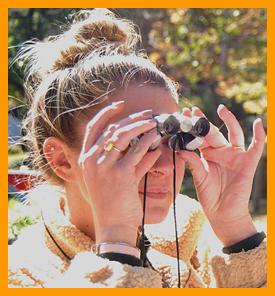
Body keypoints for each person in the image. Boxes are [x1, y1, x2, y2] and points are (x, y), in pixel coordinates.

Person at [8, 9, 266, 288]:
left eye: (173, 139)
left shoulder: (193, 235)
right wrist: (117, 251)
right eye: (135, 141)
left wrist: (237, 231)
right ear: (62, 160)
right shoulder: (19, 274)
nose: (166, 166)